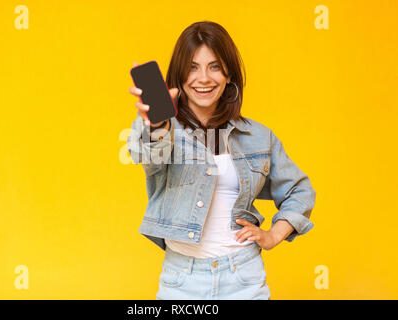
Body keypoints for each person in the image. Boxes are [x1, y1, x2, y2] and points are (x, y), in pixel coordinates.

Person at [127, 21, 316, 300]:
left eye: (214, 66)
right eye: (193, 66)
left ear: (229, 74)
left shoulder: (257, 136)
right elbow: (146, 155)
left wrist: (274, 235)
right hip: (182, 281)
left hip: (244, 277)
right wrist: (156, 126)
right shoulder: (163, 129)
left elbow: (300, 191)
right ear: (179, 75)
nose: (204, 78)